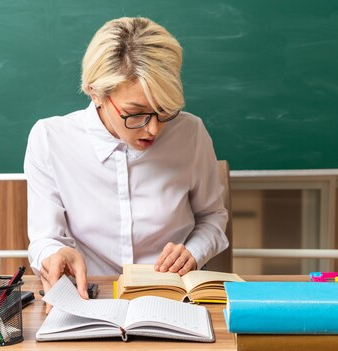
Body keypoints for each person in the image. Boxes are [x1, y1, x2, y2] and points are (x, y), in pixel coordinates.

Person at [24, 17, 228, 310]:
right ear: (96, 93)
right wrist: (53, 253)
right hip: (90, 299)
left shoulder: (190, 133)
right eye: (136, 113)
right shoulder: (50, 139)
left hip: (173, 299)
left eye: (164, 111)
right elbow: (45, 237)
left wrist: (193, 252)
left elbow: (212, 216)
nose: (154, 129)